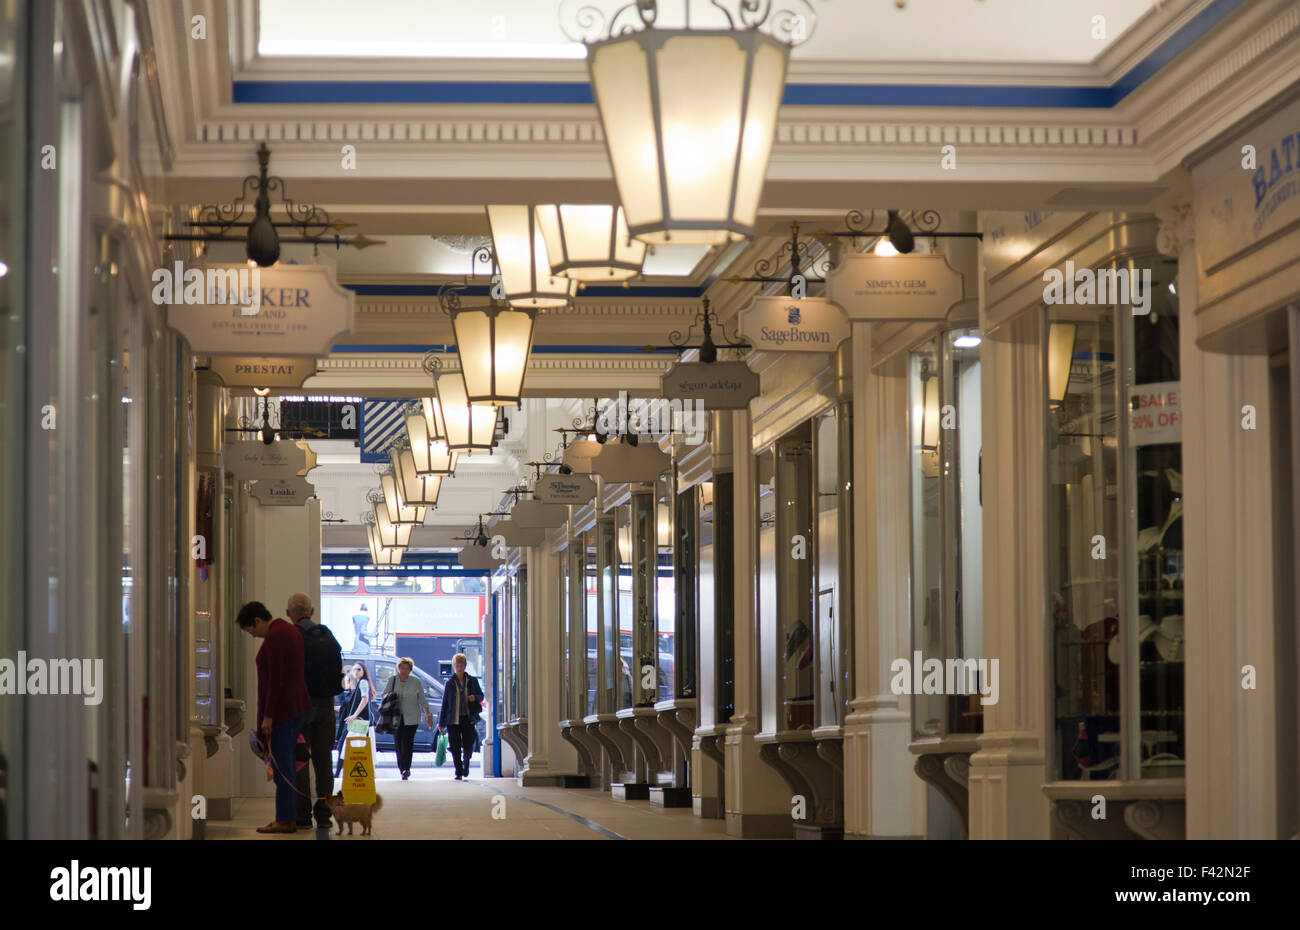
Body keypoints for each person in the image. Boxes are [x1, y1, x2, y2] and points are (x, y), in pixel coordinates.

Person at [236, 600, 312, 834]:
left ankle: (286, 819)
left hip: (283, 712)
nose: (252, 636)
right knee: (286, 764)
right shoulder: (289, 630)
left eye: (251, 630)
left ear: (258, 620)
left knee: (282, 767)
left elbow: (275, 681)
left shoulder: (276, 636)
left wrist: (268, 716)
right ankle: (285, 816)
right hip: (296, 706)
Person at [288, 592, 342, 829]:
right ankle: (323, 815)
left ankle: (302, 814)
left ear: (290, 614)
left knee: (300, 759)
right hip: (327, 705)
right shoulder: (326, 635)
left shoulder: (292, 636)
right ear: (311, 612)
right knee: (323, 762)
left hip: (301, 706)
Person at [384, 657, 433, 780]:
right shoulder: (392, 680)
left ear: (410, 670)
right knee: (399, 743)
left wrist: (428, 715)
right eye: (402, 668)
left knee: (408, 743)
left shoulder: (416, 682)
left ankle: (406, 768)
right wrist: (391, 697)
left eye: (407, 668)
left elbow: (422, 699)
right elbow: (384, 695)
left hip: (412, 717)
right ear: (398, 668)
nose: (404, 670)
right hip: (396, 717)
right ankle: (401, 767)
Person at [437, 653, 484, 781]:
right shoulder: (450, 683)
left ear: (465, 666)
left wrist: (475, 697)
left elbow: (481, 695)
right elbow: (445, 703)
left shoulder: (472, 681)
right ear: (453, 666)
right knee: (455, 745)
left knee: (469, 743)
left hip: (468, 718)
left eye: (461, 665)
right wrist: (441, 723)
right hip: (453, 719)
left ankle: (466, 761)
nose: (459, 667)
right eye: (457, 665)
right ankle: (458, 770)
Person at [333, 671, 356, 778]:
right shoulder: (349, 693)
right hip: (346, 725)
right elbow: (344, 708)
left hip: (350, 725)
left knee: (342, 748)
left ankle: (337, 773)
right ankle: (338, 773)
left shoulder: (354, 693)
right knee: (342, 748)